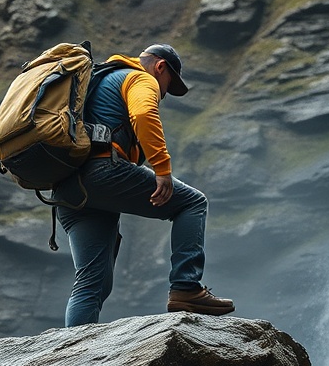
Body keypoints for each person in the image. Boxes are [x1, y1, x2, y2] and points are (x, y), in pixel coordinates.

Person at [53, 43, 234, 327]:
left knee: (92, 282)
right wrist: (161, 169)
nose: (163, 93)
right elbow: (143, 114)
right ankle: (186, 288)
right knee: (192, 202)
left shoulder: (95, 82)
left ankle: (74, 353)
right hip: (101, 173)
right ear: (160, 67)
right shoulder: (138, 77)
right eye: (167, 86)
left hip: (66, 186)